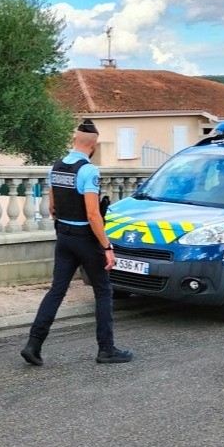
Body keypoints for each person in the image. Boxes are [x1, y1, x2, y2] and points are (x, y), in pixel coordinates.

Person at [20, 119, 133, 366]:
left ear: (74, 140)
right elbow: (93, 214)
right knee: (103, 290)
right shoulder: (89, 171)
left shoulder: (56, 167)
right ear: (93, 146)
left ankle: (33, 344)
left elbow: (52, 207)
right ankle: (106, 349)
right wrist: (106, 246)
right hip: (85, 239)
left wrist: (65, 228)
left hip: (64, 236)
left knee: (56, 290)